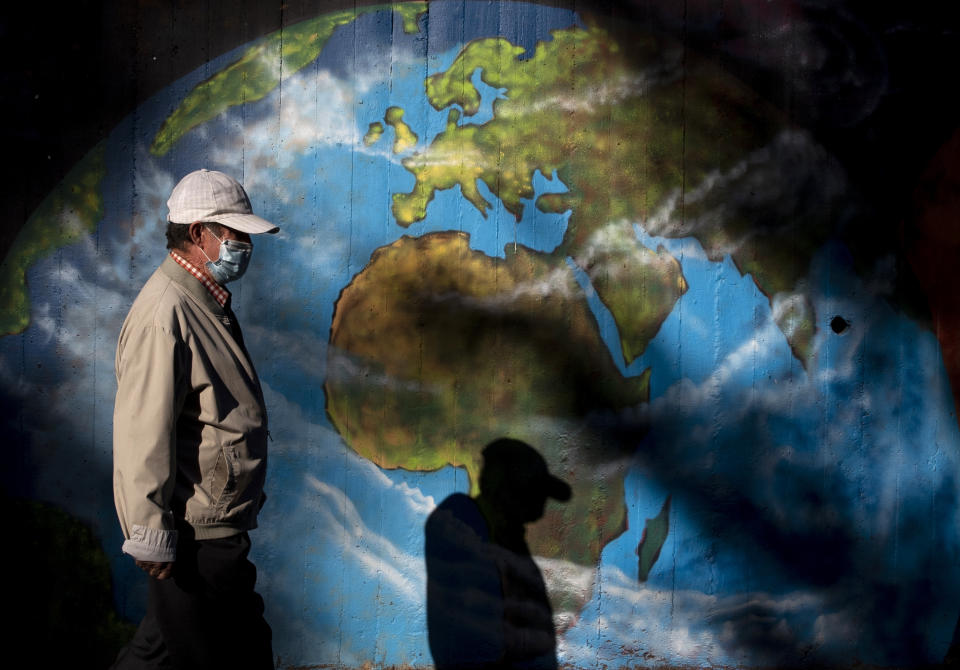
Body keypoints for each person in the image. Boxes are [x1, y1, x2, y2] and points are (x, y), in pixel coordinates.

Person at [111, 169, 278, 669]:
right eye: (235, 234)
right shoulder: (168, 311)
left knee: (163, 650)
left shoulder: (203, 299)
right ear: (198, 232)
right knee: (232, 655)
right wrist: (147, 532)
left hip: (212, 524)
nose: (245, 244)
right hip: (196, 533)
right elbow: (143, 430)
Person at [425, 438, 572, 670]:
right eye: (535, 492)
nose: (540, 507)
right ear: (507, 488)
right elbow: (477, 633)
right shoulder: (460, 521)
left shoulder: (511, 542)